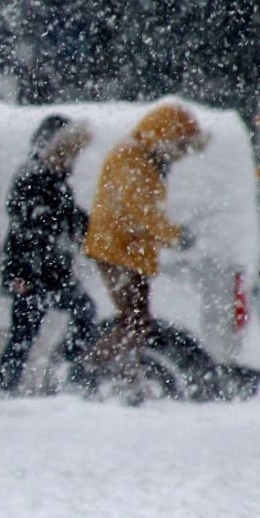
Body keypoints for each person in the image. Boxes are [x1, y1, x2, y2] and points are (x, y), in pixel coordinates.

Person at [81, 103, 208, 402]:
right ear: (165, 137)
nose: (182, 155)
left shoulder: (145, 157)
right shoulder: (131, 157)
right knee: (135, 323)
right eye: (180, 146)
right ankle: (88, 370)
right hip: (117, 252)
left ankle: (125, 378)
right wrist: (175, 236)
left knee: (136, 323)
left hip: (129, 252)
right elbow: (140, 212)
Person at [0, 115, 98, 393]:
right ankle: (11, 386)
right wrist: (22, 275)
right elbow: (27, 228)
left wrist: (90, 228)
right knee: (24, 334)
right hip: (31, 272)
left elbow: (67, 218)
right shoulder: (32, 176)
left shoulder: (55, 178)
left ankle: (63, 366)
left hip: (51, 271)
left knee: (79, 312)